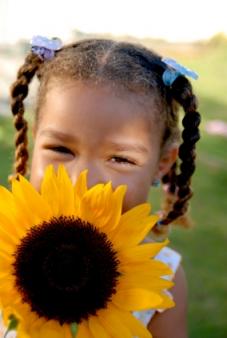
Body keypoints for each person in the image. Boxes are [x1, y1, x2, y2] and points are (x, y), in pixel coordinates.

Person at [5, 36, 201, 338]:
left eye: (120, 159)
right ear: (33, 141)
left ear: (162, 164)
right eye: (61, 149)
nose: (82, 181)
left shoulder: (163, 278)